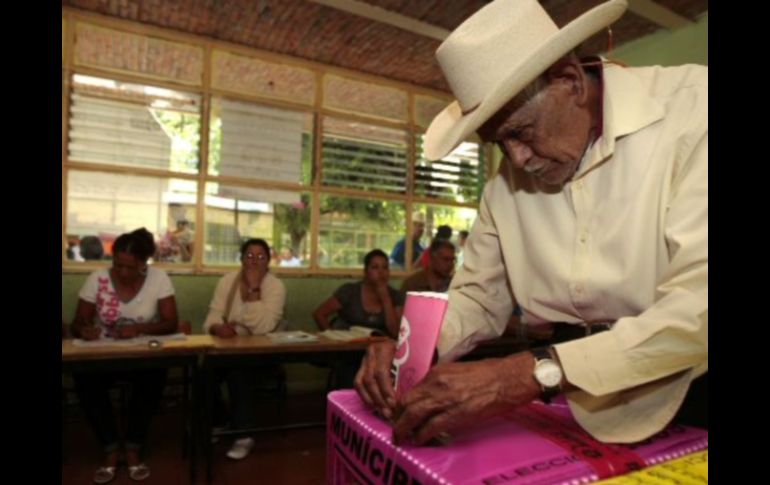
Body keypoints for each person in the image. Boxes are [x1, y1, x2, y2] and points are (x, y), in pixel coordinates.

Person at [355, 0, 707, 447]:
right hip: (563, 396)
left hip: (693, 388)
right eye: (499, 143)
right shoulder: (505, 185)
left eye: (521, 132)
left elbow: (698, 307)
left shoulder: (695, 112)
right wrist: (413, 349)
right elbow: (477, 299)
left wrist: (521, 375)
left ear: (570, 81)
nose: (517, 159)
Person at [70, 228, 179, 483]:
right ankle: (109, 447)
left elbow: (171, 323)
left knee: (155, 375)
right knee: (84, 378)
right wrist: (84, 330)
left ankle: (132, 446)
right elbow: (77, 323)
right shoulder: (97, 278)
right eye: (117, 265)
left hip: (140, 358)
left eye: (130, 267)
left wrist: (139, 329)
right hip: (104, 357)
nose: (122, 272)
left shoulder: (159, 279)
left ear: (143, 264)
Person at [203, 238, 287, 460]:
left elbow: (262, 327)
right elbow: (212, 316)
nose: (254, 261)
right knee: (204, 371)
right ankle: (220, 421)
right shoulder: (227, 281)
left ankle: (244, 434)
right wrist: (217, 327)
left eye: (261, 257)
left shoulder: (275, 286)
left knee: (238, 371)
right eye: (249, 256)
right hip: (228, 348)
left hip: (262, 352)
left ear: (268, 262)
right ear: (241, 259)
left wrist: (253, 288)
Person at [314, 249, 405, 387]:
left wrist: (386, 298)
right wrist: (332, 338)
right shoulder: (350, 291)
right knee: (351, 371)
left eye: (385, 267)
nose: (381, 272)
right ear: (366, 272)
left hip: (379, 353)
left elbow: (395, 332)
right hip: (349, 351)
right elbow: (319, 314)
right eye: (375, 267)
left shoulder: (395, 296)